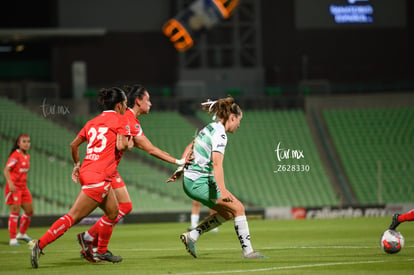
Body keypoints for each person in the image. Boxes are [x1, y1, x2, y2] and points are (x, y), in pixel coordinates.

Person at [76, 84, 192, 261]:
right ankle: (92, 241)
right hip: (104, 169)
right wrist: (179, 161)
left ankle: (89, 237)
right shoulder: (128, 119)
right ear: (138, 101)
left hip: (105, 168)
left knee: (125, 207)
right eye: (148, 100)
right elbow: (151, 150)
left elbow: (151, 147)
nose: (150, 104)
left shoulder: (130, 118)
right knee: (118, 209)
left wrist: (174, 160)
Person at [29, 87, 132, 268]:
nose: (126, 106)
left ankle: (100, 251)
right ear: (118, 105)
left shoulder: (92, 122)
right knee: (73, 217)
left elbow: (74, 144)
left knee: (113, 212)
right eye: (125, 103)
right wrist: (130, 143)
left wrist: (77, 165)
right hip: (99, 177)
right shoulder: (121, 120)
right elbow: (122, 146)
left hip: (88, 171)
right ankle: (40, 244)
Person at [169, 96, 266, 259]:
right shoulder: (220, 135)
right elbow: (217, 164)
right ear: (232, 117)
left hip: (193, 179)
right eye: (239, 120)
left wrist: (181, 167)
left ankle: (192, 236)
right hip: (198, 182)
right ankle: (248, 252)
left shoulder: (210, 127)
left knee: (228, 213)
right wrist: (222, 190)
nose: (239, 124)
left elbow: (191, 146)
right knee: (238, 208)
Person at [4, 134, 33, 246]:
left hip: (23, 187)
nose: (27, 144)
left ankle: (21, 234)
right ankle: (12, 239)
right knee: (15, 212)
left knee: (29, 211)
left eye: (28, 141)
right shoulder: (15, 155)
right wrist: (11, 184)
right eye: (24, 141)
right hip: (14, 188)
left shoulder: (27, 156)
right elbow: (6, 170)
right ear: (18, 143)